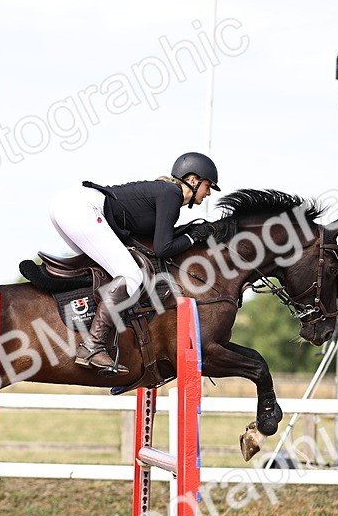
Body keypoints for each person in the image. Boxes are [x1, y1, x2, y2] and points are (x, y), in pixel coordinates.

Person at [48, 152, 221, 374]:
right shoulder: (171, 194)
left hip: (68, 205)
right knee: (131, 275)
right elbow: (163, 248)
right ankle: (92, 345)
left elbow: (152, 241)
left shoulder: (166, 194)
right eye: (208, 186)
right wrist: (193, 237)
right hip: (80, 208)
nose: (208, 193)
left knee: (110, 271)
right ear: (194, 180)